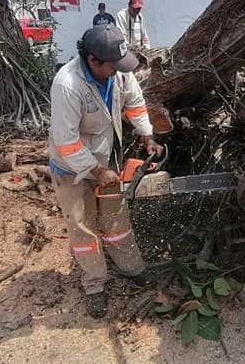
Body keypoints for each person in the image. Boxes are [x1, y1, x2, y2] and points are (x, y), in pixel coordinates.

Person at [49, 25, 163, 318]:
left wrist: (146, 134)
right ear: (93, 61)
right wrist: (94, 171)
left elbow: (135, 104)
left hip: (106, 158)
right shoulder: (67, 85)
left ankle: (131, 267)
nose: (118, 71)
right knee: (82, 225)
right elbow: (66, 140)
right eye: (113, 66)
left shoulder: (118, 72)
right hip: (70, 167)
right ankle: (94, 284)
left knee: (116, 220)